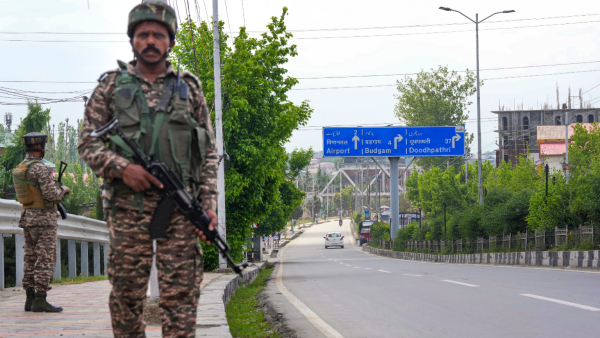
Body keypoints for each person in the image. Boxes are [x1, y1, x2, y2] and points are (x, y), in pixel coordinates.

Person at [77, 0, 218, 336]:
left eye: (158, 34)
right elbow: (87, 143)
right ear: (132, 41)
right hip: (128, 209)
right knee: (126, 298)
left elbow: (209, 154)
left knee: (182, 298)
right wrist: (122, 168)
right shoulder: (111, 86)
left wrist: (208, 203)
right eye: (143, 35)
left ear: (170, 40)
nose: (150, 41)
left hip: (181, 210)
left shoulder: (189, 89)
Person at [13, 132, 71, 313]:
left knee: (30, 258)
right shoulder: (39, 168)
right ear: (39, 147)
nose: (45, 149)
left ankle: (29, 299)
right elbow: (51, 195)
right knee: (45, 258)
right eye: (44, 146)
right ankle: (40, 299)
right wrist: (63, 190)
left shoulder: (21, 166)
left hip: (28, 217)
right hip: (44, 220)